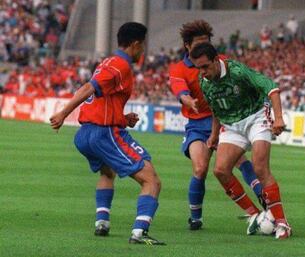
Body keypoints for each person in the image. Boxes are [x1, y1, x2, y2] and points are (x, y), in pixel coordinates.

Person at [49, 22, 165, 245]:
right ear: (136, 44)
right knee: (152, 181)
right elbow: (87, 88)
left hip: (86, 134)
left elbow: (102, 100)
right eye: (142, 46)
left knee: (107, 172)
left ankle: (102, 222)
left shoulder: (108, 62)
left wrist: (122, 119)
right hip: (104, 134)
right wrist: (63, 113)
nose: (143, 50)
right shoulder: (120, 65)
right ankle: (140, 232)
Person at [169, 20, 265, 231]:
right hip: (197, 124)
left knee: (240, 161)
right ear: (187, 45)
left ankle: (263, 203)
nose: (204, 47)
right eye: (199, 43)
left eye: (207, 42)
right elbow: (179, 90)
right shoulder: (179, 69)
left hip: (224, 119)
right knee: (200, 168)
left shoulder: (221, 62)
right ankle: (195, 217)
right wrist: (188, 100)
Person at [189, 42, 292, 239]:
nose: (202, 72)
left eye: (205, 67)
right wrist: (214, 134)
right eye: (198, 68)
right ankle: (256, 215)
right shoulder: (204, 82)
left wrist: (278, 117)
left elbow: (272, 88)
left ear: (216, 60)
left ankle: (282, 223)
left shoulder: (236, 71)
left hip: (256, 117)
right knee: (220, 170)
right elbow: (216, 110)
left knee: (260, 168)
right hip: (232, 125)